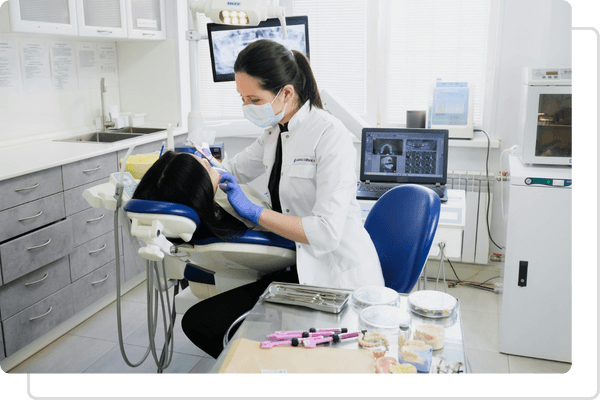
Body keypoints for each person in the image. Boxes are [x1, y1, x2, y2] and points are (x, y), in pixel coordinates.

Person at [180, 39, 385, 359]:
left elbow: (325, 232)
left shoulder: (332, 137)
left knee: (208, 325)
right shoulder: (274, 132)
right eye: (242, 99)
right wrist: (200, 164)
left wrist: (255, 212)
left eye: (253, 98)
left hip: (334, 276)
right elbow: (233, 168)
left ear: (286, 93)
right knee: (204, 323)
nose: (247, 106)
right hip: (297, 262)